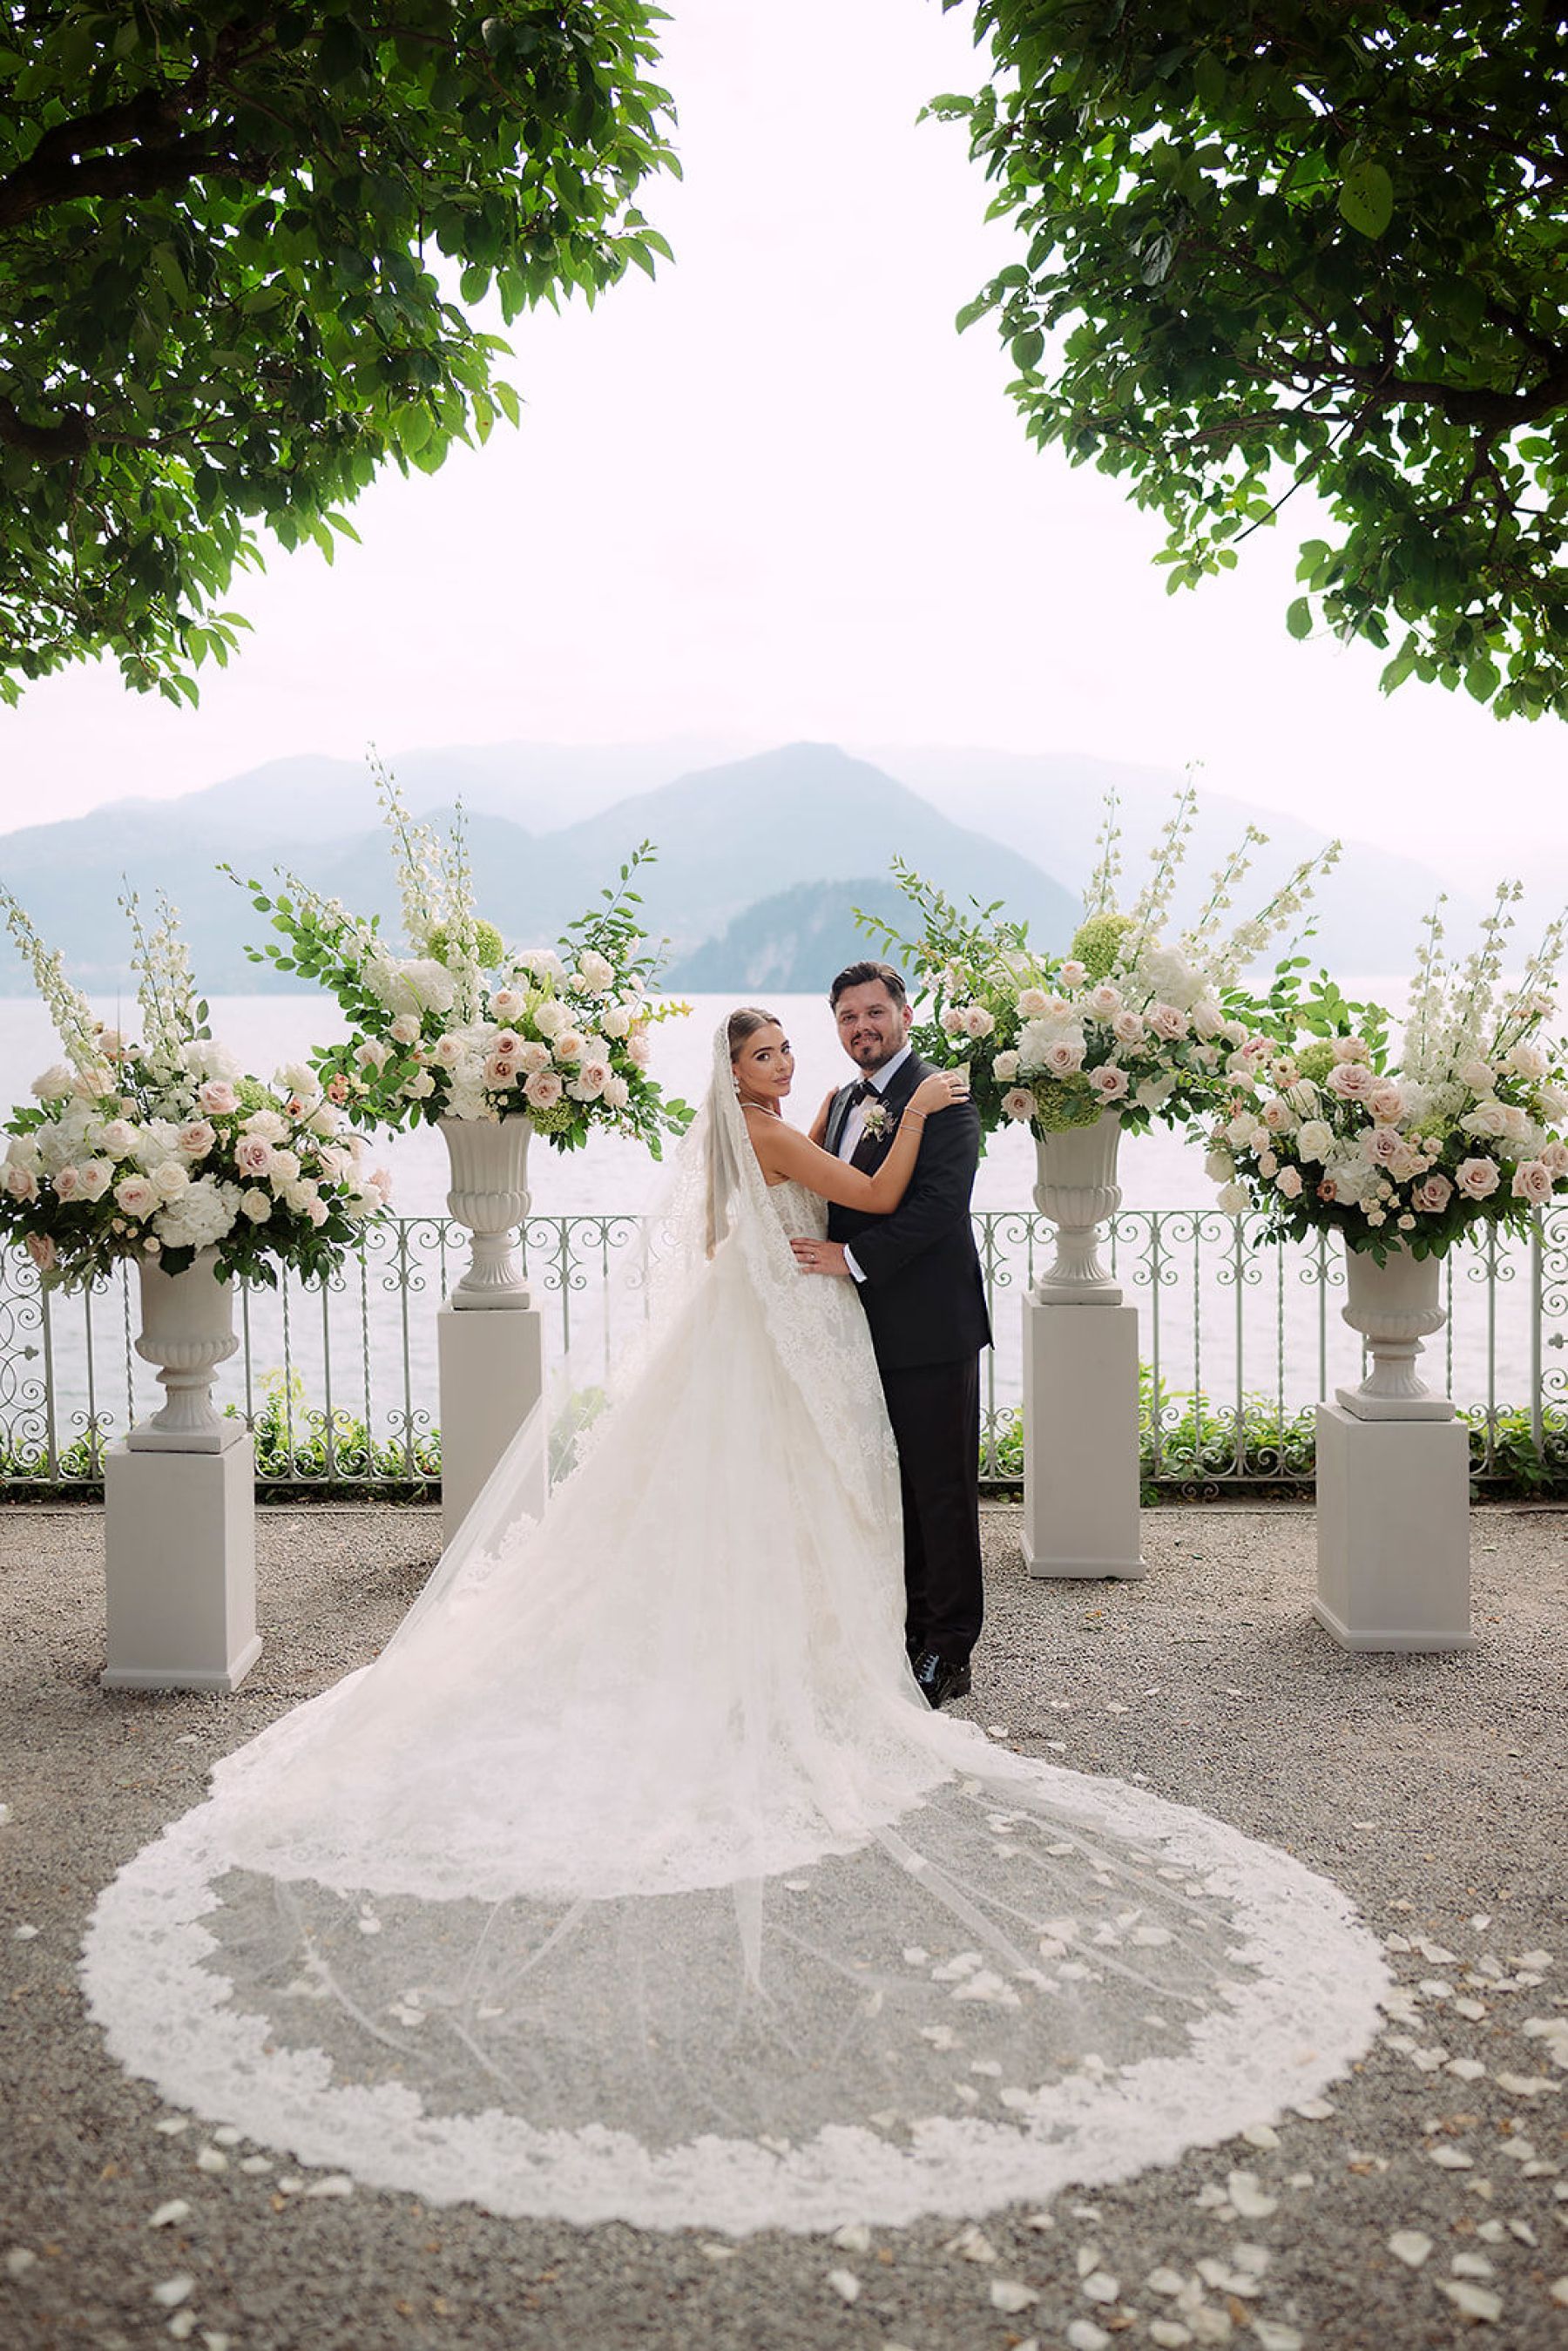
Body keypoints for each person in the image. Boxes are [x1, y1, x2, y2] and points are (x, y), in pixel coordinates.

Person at [81, 1012, 1387, 2235]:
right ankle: (832, 1642)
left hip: (773, 1315)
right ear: (740, 1072)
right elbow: (870, 1190)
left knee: (782, 1489)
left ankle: (844, 1626)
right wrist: (917, 1112)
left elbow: (726, 1238)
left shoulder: (746, 1133)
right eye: (766, 1052)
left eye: (785, 1048)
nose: (786, 1060)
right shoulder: (783, 1129)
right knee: (813, 1485)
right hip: (800, 1317)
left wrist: (802, 1224)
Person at [790, 962, 990, 1709]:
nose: (861, 1027)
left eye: (874, 1012)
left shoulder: (943, 1096)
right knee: (889, 1488)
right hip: (857, 1330)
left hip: (931, 1326)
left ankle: (949, 1648)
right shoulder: (844, 1100)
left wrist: (850, 1258)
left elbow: (940, 1207)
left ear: (905, 1014)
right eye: (848, 1016)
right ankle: (905, 1633)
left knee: (941, 1490)